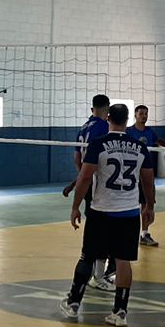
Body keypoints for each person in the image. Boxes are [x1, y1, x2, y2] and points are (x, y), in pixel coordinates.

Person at [62, 105, 156, 327]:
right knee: (123, 261)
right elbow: (148, 180)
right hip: (129, 212)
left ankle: (73, 304)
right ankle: (120, 312)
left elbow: (85, 177)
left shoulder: (98, 144)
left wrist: (75, 206)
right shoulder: (140, 147)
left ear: (109, 118)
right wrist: (150, 206)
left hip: (102, 211)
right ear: (128, 120)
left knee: (88, 256)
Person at [64, 94, 114, 289]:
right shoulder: (104, 127)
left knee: (94, 227)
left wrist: (82, 177)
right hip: (100, 185)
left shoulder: (83, 127)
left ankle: (94, 273)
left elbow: (76, 159)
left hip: (88, 183)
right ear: (107, 109)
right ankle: (99, 276)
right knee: (103, 229)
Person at [126, 105, 158, 247]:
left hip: (146, 174)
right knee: (129, 204)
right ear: (135, 115)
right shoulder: (128, 132)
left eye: (146, 113)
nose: (144, 116)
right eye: (141, 113)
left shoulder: (150, 132)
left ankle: (144, 234)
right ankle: (127, 233)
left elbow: (158, 141)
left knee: (146, 203)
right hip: (131, 174)